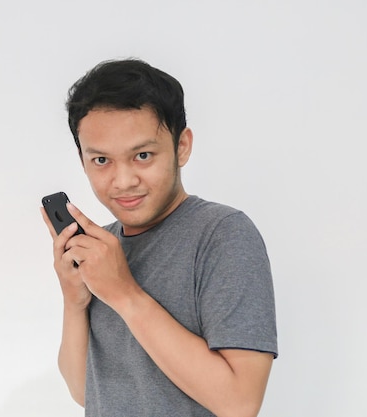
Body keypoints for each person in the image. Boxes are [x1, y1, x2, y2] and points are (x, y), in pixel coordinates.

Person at [41, 58, 278, 417]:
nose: (123, 181)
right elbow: (84, 391)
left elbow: (240, 403)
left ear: (181, 146)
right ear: (82, 159)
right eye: (102, 160)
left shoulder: (224, 234)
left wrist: (123, 292)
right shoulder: (101, 249)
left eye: (143, 155)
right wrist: (74, 301)